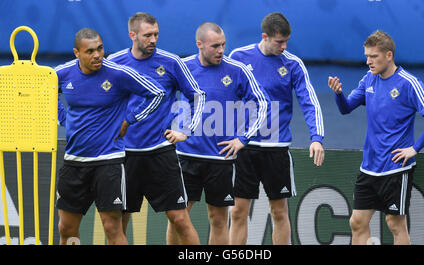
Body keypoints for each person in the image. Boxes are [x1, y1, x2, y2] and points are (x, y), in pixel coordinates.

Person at [328, 30, 424, 245]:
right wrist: (338, 94)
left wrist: (415, 148)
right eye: (366, 56)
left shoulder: (409, 83)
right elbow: (346, 108)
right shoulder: (368, 79)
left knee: (394, 223)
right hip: (369, 166)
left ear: (388, 55)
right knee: (357, 221)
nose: (368, 62)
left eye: (374, 57)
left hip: (396, 167)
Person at [55, 28, 165, 245]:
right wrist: (62, 118)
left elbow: (157, 93)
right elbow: (41, 90)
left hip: (109, 162)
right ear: (77, 53)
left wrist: (130, 119)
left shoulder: (118, 73)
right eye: (90, 51)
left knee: (112, 228)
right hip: (74, 162)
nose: (97, 55)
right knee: (66, 228)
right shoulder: (62, 73)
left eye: (100, 49)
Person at [107, 12, 204, 245]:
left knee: (180, 218)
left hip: (160, 152)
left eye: (156, 34)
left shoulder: (171, 62)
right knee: (118, 221)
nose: (153, 39)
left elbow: (197, 96)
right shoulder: (114, 62)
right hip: (123, 154)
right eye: (147, 35)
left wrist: (186, 130)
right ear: (132, 35)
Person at [167, 22, 268, 245]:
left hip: (220, 158)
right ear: (199, 45)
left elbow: (262, 103)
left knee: (219, 219)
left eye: (223, 45)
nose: (221, 50)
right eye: (215, 46)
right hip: (185, 156)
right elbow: (161, 98)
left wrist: (243, 139)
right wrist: (170, 128)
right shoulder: (182, 68)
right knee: (178, 217)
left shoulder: (237, 71)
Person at [228, 12, 325, 245]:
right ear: (265, 36)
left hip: (277, 148)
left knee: (279, 212)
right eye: (279, 42)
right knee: (238, 212)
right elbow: (226, 99)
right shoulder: (238, 57)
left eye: (286, 41)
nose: (284, 46)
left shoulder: (293, 64)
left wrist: (317, 137)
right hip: (244, 147)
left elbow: (309, 102)